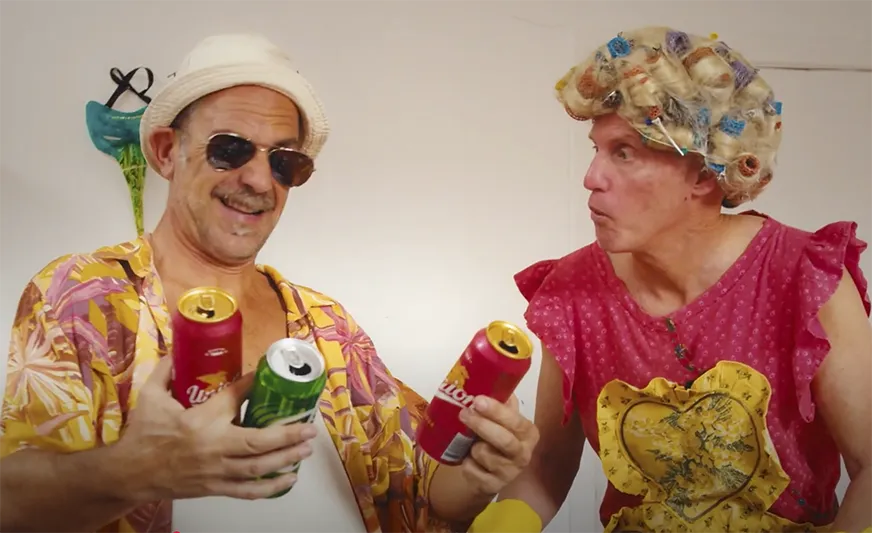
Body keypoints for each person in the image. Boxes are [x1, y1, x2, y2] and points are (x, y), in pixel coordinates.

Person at [0, 33, 540, 533]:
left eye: (285, 161)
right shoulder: (82, 296)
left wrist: (476, 475)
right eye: (229, 148)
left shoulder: (329, 327)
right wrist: (134, 472)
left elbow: (420, 498)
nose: (260, 180)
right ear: (166, 152)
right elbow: (11, 503)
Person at [499, 26, 872, 533]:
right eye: (596, 149)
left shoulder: (805, 279)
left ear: (702, 173)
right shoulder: (573, 291)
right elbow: (545, 466)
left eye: (623, 152)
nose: (591, 177)